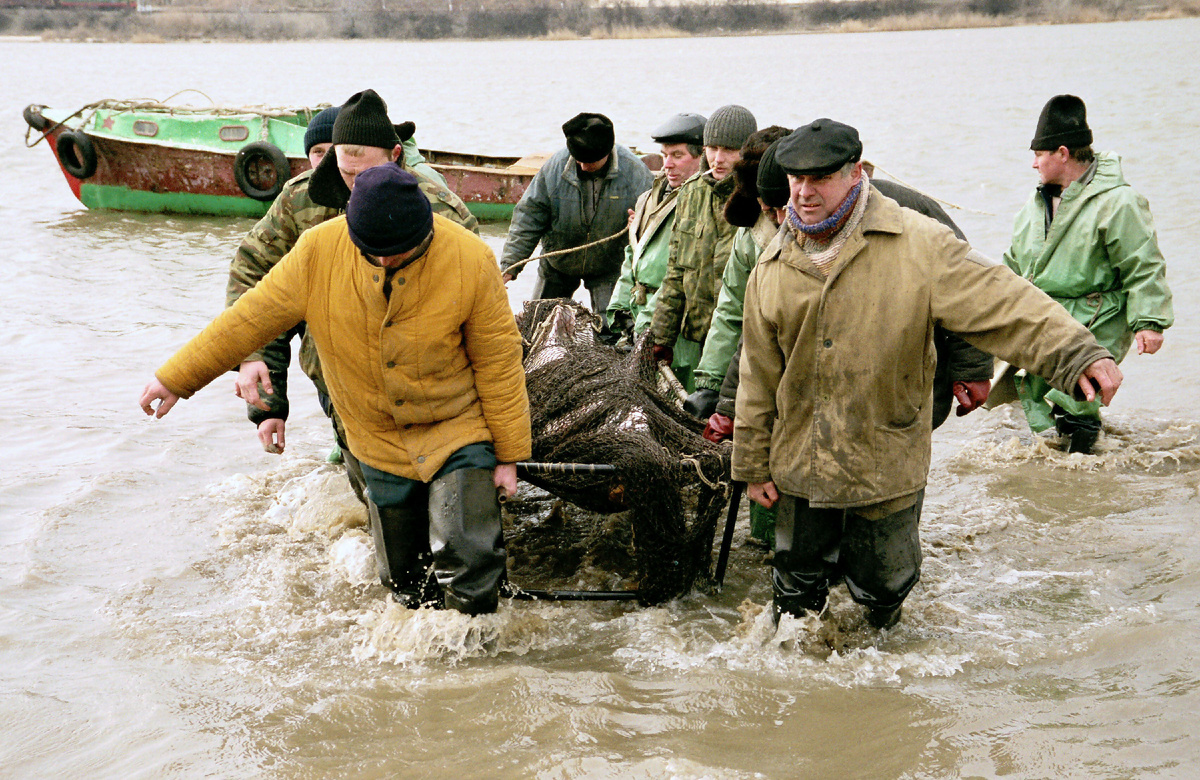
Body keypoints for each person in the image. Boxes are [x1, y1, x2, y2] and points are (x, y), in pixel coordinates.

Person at [733, 118, 1123, 630]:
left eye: (820, 179)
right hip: (801, 460)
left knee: (882, 596)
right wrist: (753, 462)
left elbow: (1004, 302)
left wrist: (1076, 354)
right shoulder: (772, 263)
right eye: (795, 181)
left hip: (883, 455)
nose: (804, 194)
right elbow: (757, 374)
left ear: (855, 173)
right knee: (795, 598)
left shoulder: (918, 243)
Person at [141, 165, 530, 615]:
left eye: (398, 253)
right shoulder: (317, 251)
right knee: (403, 579)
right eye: (373, 253)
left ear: (424, 233)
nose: (385, 261)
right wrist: (175, 378)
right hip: (374, 434)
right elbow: (249, 319)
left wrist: (508, 455)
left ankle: (479, 658)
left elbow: (499, 363)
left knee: (469, 553)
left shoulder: (470, 258)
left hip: (456, 426)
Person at [226, 89, 479, 501]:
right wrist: (264, 393)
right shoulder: (300, 200)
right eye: (323, 154)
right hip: (338, 372)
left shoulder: (437, 206)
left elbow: (478, 311)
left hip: (424, 375)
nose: (335, 167)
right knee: (372, 489)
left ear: (395, 155)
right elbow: (256, 284)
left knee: (443, 487)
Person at [1002, 94, 1174, 454]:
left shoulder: (1120, 202)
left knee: (1079, 408)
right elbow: (1012, 267)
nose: (1033, 165)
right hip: (1048, 319)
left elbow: (1144, 264)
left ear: (1062, 153)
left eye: (1039, 155)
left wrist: (1149, 322)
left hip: (1100, 317)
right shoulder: (1032, 209)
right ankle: (1069, 466)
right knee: (1041, 412)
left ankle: (1082, 482)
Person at [500, 112, 654, 314]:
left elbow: (655, 223)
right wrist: (508, 266)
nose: (582, 166)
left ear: (607, 153)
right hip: (557, 264)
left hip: (609, 265)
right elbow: (528, 218)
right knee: (539, 320)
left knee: (612, 329)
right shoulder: (555, 168)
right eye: (578, 160)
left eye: (589, 162)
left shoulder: (635, 173)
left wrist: (640, 223)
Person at [649, 105, 757, 380]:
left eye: (729, 150)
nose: (717, 159)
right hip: (697, 338)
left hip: (745, 344)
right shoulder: (691, 192)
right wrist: (662, 337)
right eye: (712, 148)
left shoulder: (759, 199)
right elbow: (675, 271)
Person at [605, 112, 706, 386]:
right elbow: (633, 256)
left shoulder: (702, 207)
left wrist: (649, 327)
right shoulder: (647, 199)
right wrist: (618, 312)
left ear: (702, 157)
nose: (668, 165)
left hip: (675, 334)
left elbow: (682, 274)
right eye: (664, 155)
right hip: (640, 320)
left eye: (677, 155)